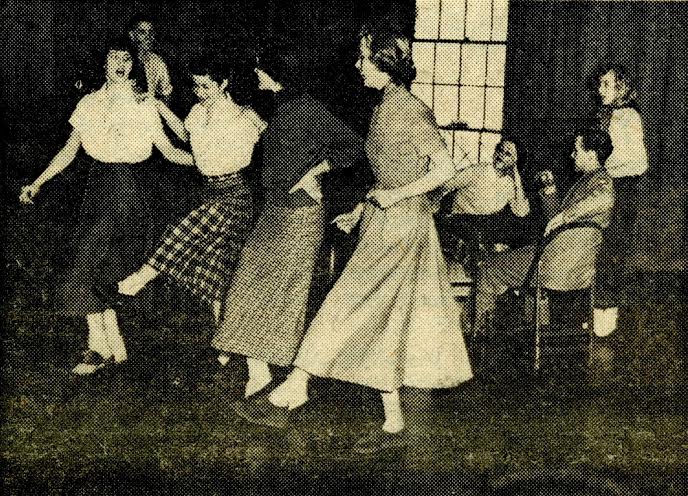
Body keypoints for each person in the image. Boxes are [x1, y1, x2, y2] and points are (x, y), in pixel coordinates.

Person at [233, 27, 474, 454]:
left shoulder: (411, 110)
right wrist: (363, 208)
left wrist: (392, 197)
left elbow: (444, 170)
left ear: (384, 64)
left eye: (365, 59)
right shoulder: (384, 105)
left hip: (402, 229)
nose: (358, 65)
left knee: (344, 308)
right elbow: (391, 172)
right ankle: (392, 419)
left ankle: (296, 386)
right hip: (383, 223)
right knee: (381, 322)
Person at [18, 37, 194, 375]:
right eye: (114, 56)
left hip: (129, 192)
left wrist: (210, 162)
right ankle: (104, 340)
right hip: (96, 191)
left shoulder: (145, 104)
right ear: (104, 63)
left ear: (133, 64)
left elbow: (170, 151)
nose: (121, 62)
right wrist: (38, 182)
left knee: (96, 265)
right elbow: (70, 151)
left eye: (126, 57)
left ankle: (102, 344)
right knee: (84, 264)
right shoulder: (88, 104)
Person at [210, 47, 365, 396]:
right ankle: (259, 369)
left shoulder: (308, 108)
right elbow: (280, 152)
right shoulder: (278, 107)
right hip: (274, 211)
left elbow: (354, 146)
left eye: (260, 69)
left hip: (301, 215)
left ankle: (275, 375)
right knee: (246, 283)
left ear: (275, 72)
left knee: (283, 296)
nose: (256, 73)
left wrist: (318, 170)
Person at [105, 54, 266, 325]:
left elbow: (259, 142)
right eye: (195, 86)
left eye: (206, 86)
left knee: (185, 228)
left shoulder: (241, 115)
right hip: (209, 192)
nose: (199, 92)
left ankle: (136, 281)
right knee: (215, 272)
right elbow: (185, 136)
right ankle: (223, 342)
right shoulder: (197, 111)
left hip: (234, 194)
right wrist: (159, 106)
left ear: (223, 83)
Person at [474, 129, 615, 335]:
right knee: (513, 259)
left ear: (591, 154)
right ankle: (535, 331)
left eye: (577, 151)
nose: (572, 155)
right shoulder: (587, 182)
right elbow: (559, 222)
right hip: (577, 272)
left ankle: (480, 337)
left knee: (489, 268)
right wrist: (549, 190)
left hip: (552, 267)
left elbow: (605, 200)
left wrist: (563, 217)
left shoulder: (602, 181)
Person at [592, 65, 649, 337]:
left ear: (620, 88)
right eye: (600, 84)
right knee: (602, 249)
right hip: (611, 185)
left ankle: (606, 313)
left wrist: (600, 165)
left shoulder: (627, 117)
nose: (600, 89)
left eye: (606, 84)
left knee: (611, 250)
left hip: (623, 189)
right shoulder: (610, 114)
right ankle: (599, 311)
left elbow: (635, 160)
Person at [437, 138, 530, 260]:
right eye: (500, 149)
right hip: (458, 222)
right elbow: (446, 183)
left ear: (516, 162)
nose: (501, 154)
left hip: (484, 228)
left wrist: (516, 176)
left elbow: (521, 212)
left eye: (507, 154)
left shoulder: (510, 184)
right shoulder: (479, 170)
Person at [128, 14, 173, 102]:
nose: (148, 37)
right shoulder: (122, 59)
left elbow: (166, 93)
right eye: (142, 32)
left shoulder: (157, 62)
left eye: (150, 32)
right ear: (132, 35)